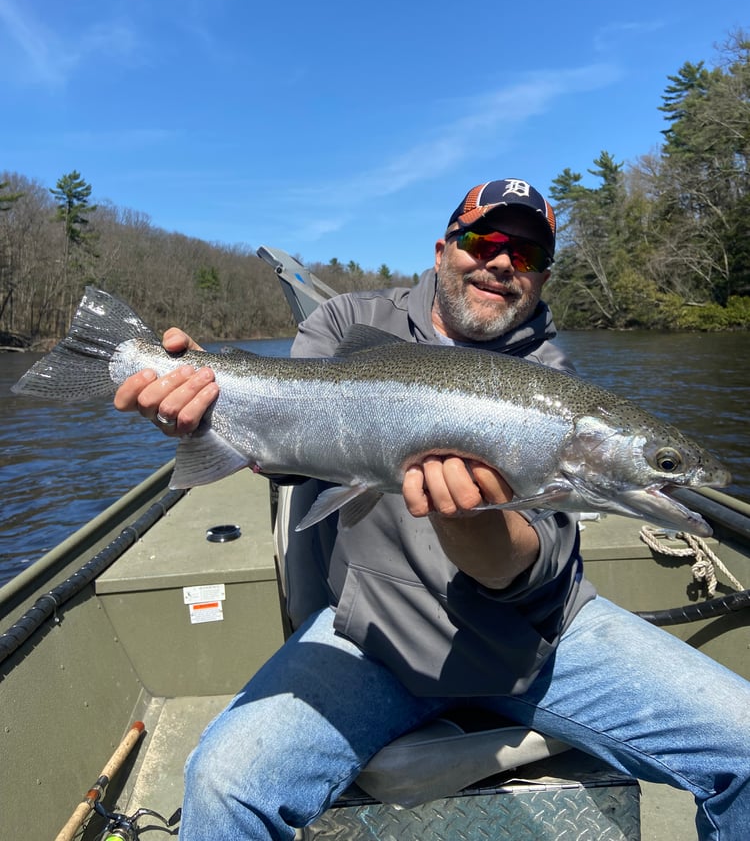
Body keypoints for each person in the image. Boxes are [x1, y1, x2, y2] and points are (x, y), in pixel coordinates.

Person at [115, 178, 750, 840]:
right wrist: (198, 413)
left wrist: (467, 519)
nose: (503, 262)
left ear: (541, 278)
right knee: (221, 784)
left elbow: (521, 569)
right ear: (444, 249)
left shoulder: (554, 377)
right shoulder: (345, 323)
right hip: (372, 638)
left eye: (528, 255)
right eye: (485, 241)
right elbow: (285, 447)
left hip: (536, 641)